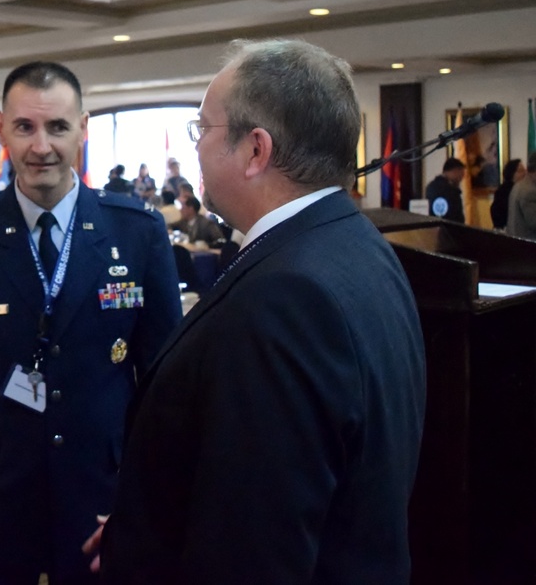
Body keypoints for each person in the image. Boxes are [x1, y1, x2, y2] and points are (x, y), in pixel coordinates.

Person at [88, 39, 426, 584]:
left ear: (255, 150)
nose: (196, 147)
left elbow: (254, 544)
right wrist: (153, 528)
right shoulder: (355, 242)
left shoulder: (283, 297)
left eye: (203, 130)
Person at [0, 61, 182, 585]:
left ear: (82, 128)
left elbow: (164, 390)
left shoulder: (137, 231)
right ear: (1, 130)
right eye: (26, 127)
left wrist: (152, 503)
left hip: (104, 501)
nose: (42, 147)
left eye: (58, 127)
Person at [425, 157, 466, 222]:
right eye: (460, 176)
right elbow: (454, 216)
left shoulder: (431, 187)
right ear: (455, 171)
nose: (461, 179)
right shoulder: (450, 191)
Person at [507, 151, 536, 240]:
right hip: (528, 246)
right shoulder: (530, 191)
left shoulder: (519, 185)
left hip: (516, 242)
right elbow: (534, 222)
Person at [490, 158, 525, 230]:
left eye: (524, 170)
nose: (525, 173)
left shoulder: (521, 189)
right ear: (512, 174)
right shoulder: (504, 191)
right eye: (520, 171)